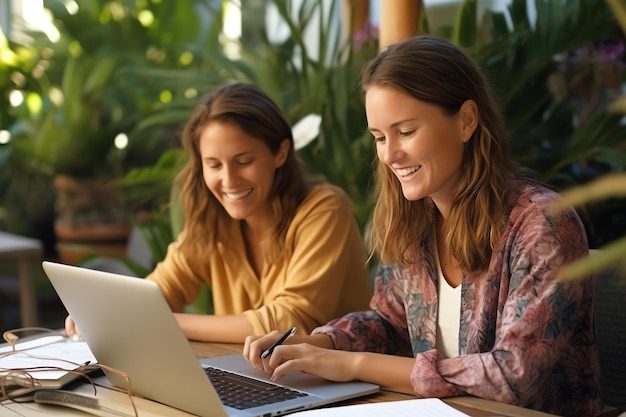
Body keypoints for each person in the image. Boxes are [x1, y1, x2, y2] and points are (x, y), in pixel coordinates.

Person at [243, 35, 602, 416]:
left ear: (466, 120)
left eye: (406, 132)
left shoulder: (542, 225)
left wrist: (355, 365)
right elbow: (391, 324)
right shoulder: (414, 222)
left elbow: (512, 373)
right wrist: (323, 344)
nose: (390, 155)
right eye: (379, 137)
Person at [66, 82, 371, 343]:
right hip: (258, 380)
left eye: (244, 161)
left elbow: (290, 321)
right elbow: (162, 288)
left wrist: (161, 322)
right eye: (213, 164)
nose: (228, 180)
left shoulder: (324, 209)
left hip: (338, 390)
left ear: (280, 152)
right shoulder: (214, 219)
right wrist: (106, 314)